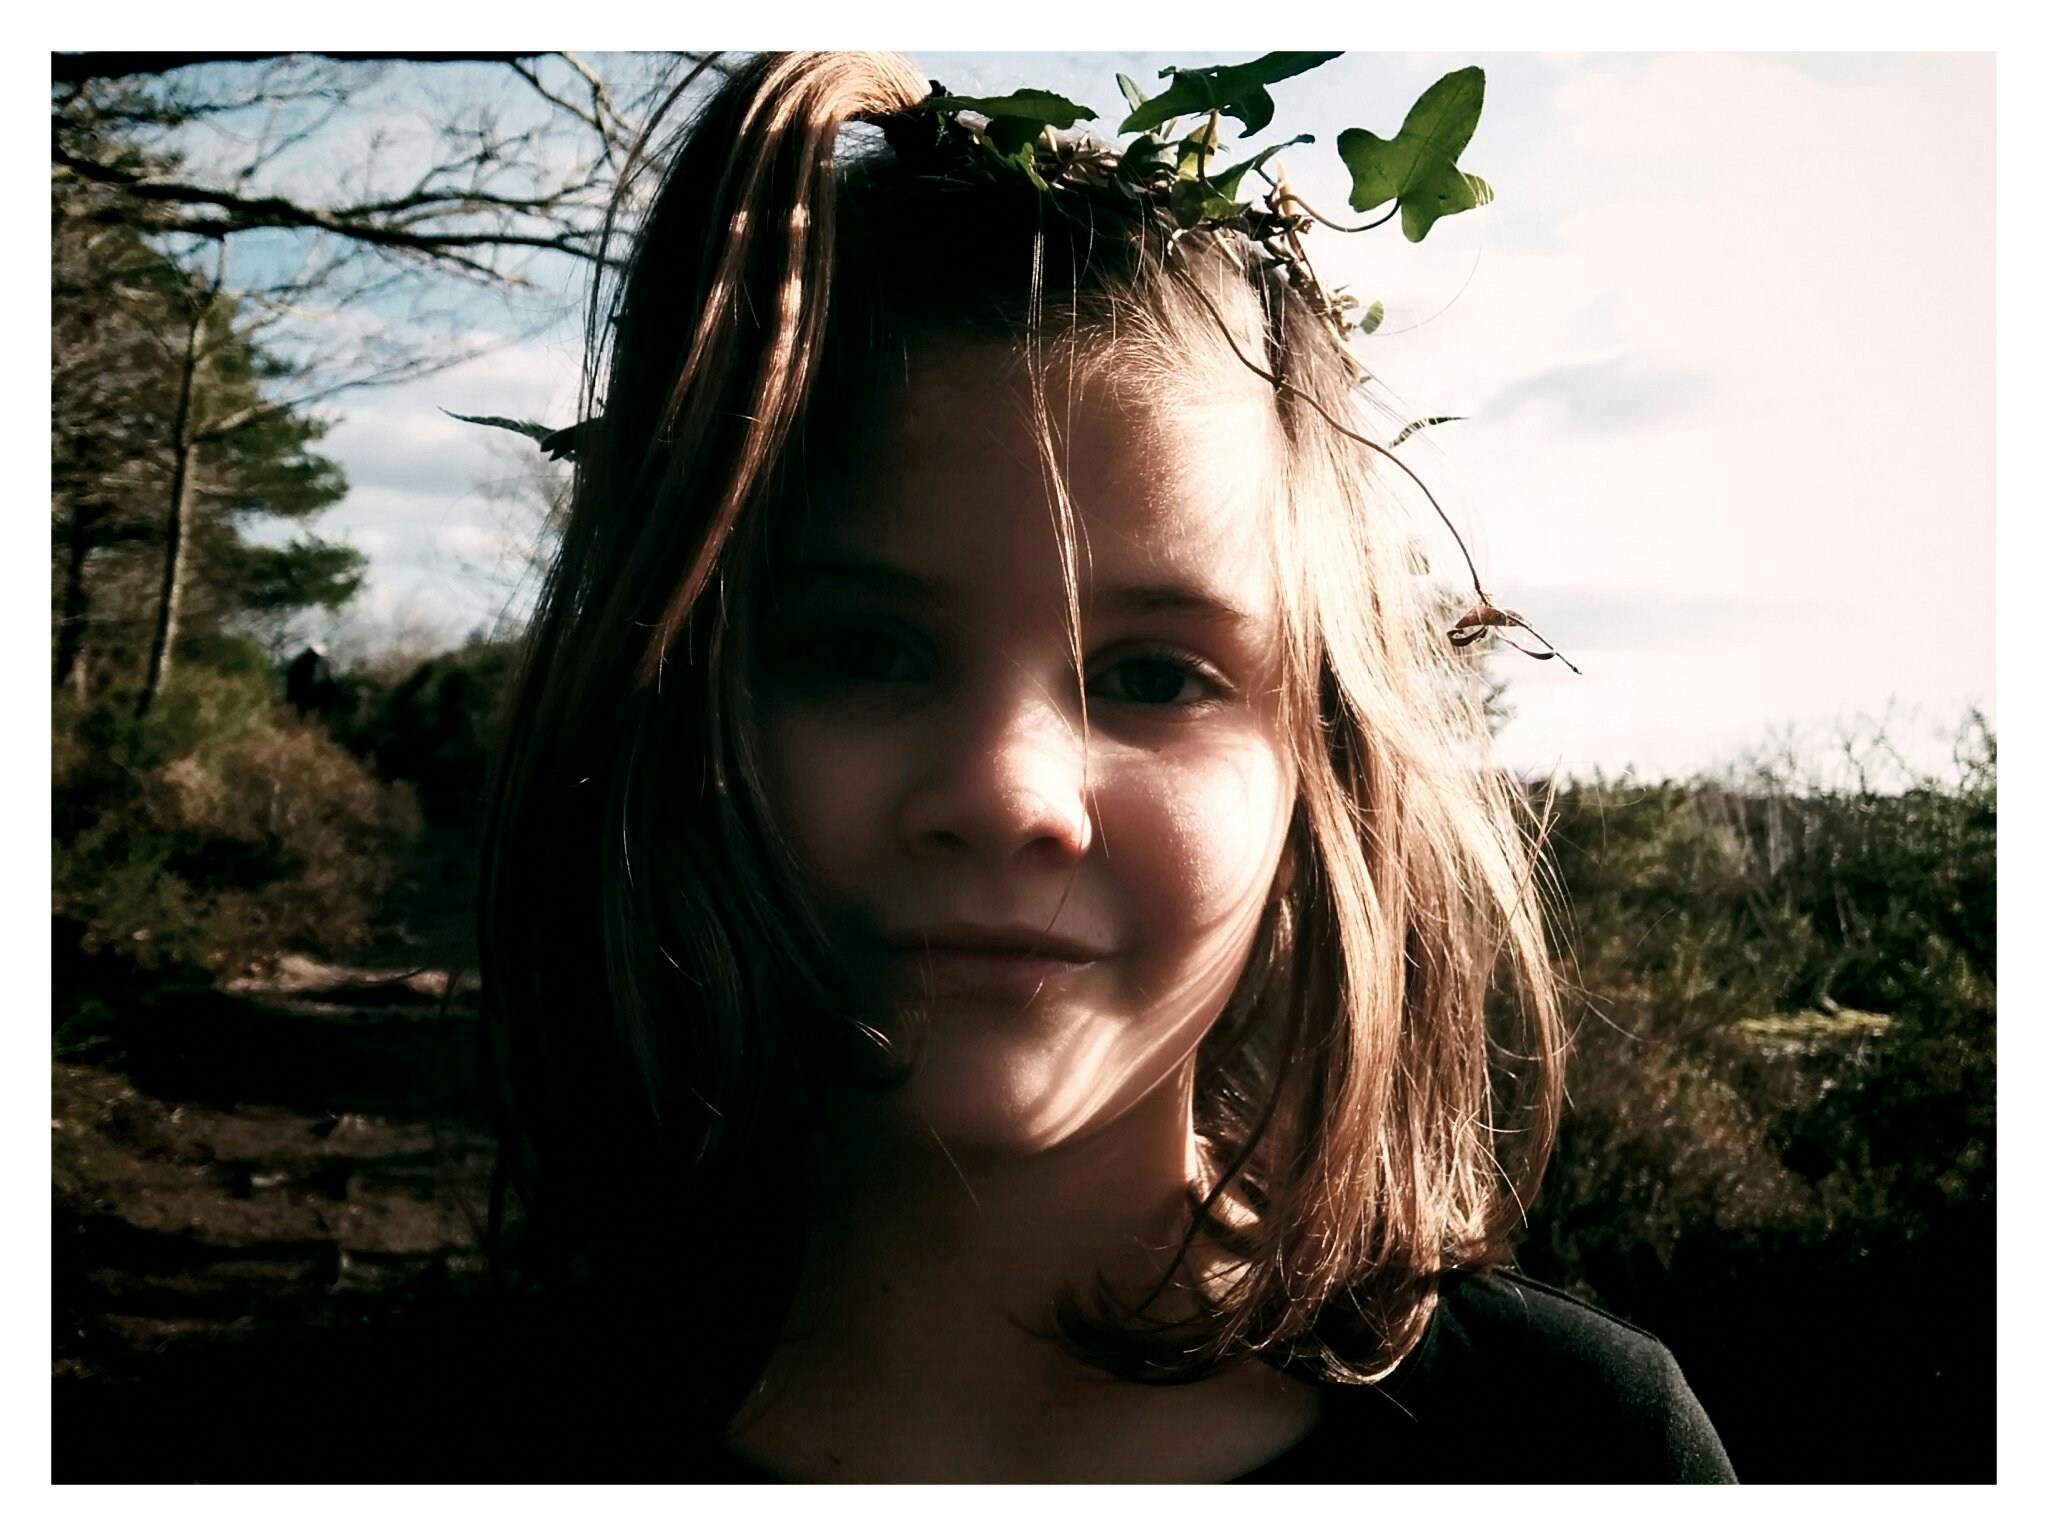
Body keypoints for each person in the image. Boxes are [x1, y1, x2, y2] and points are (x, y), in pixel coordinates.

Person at [473, 51, 1734, 1483]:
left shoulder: (1581, 1455)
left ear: (1321, 770)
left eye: (1153, 677)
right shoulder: (439, 1446)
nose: (1007, 794)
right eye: (865, 652)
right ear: (688, 703)